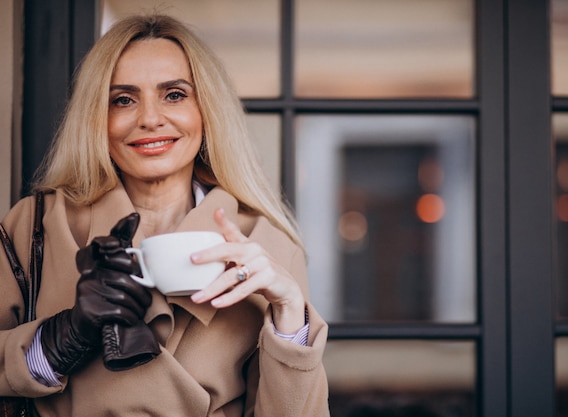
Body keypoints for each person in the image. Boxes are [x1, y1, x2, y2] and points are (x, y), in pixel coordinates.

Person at [0, 14, 330, 417]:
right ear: (96, 119)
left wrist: (290, 318)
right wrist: (59, 338)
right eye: (123, 99)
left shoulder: (267, 247)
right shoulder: (35, 227)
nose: (150, 118)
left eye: (174, 94)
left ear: (206, 110)